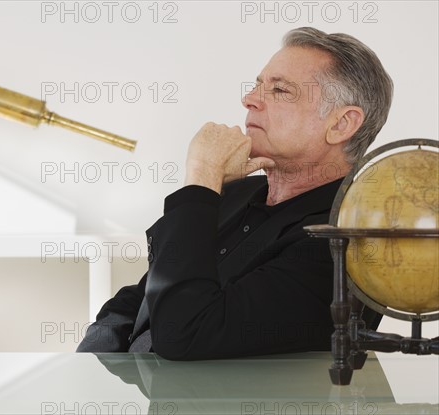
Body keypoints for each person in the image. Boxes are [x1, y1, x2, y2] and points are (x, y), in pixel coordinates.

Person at [76, 27, 393, 359]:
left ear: (342, 125)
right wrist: (84, 374)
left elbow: (185, 335)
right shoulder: (234, 193)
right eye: (258, 84)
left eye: (280, 90)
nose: (250, 98)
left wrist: (200, 176)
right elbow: (136, 303)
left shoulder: (345, 240)